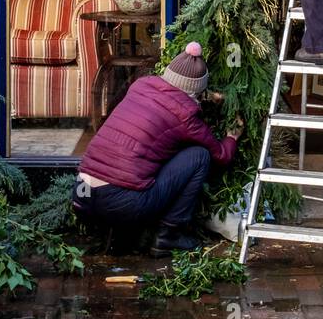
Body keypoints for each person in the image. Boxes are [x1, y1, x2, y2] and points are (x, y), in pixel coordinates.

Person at [72, 42, 241, 254]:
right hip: (120, 203)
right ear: (197, 91)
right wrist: (232, 136)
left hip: (81, 196)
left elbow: (171, 97)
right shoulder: (186, 116)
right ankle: (169, 236)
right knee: (199, 156)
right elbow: (222, 156)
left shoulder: (140, 87)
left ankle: (106, 233)